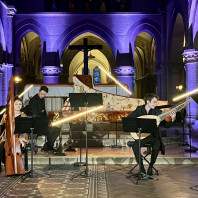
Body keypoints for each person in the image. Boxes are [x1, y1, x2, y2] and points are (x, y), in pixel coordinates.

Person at [127, 93, 176, 176]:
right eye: (154, 102)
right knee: (135, 146)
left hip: (153, 137)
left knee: (157, 145)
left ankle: (150, 167)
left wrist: (173, 118)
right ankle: (141, 169)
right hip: (142, 137)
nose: (156, 104)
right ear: (148, 102)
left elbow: (166, 125)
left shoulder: (157, 112)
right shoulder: (139, 110)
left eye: (156, 102)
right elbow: (128, 120)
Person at [29, 86, 60, 152]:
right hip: (36, 125)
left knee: (57, 129)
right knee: (49, 129)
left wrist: (48, 121)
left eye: (44, 94)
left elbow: (43, 112)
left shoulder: (42, 99)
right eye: (41, 94)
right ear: (38, 91)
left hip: (42, 122)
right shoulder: (33, 100)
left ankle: (48, 145)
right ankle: (49, 146)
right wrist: (46, 122)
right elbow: (36, 114)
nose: (42, 96)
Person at [0, 96, 28, 166]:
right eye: (16, 104)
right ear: (12, 105)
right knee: (2, 146)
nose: (18, 106)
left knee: (18, 145)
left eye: (20, 104)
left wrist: (20, 139)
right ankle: (7, 164)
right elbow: (2, 126)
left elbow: (25, 130)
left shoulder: (24, 115)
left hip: (20, 138)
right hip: (7, 137)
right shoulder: (7, 114)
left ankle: (16, 165)